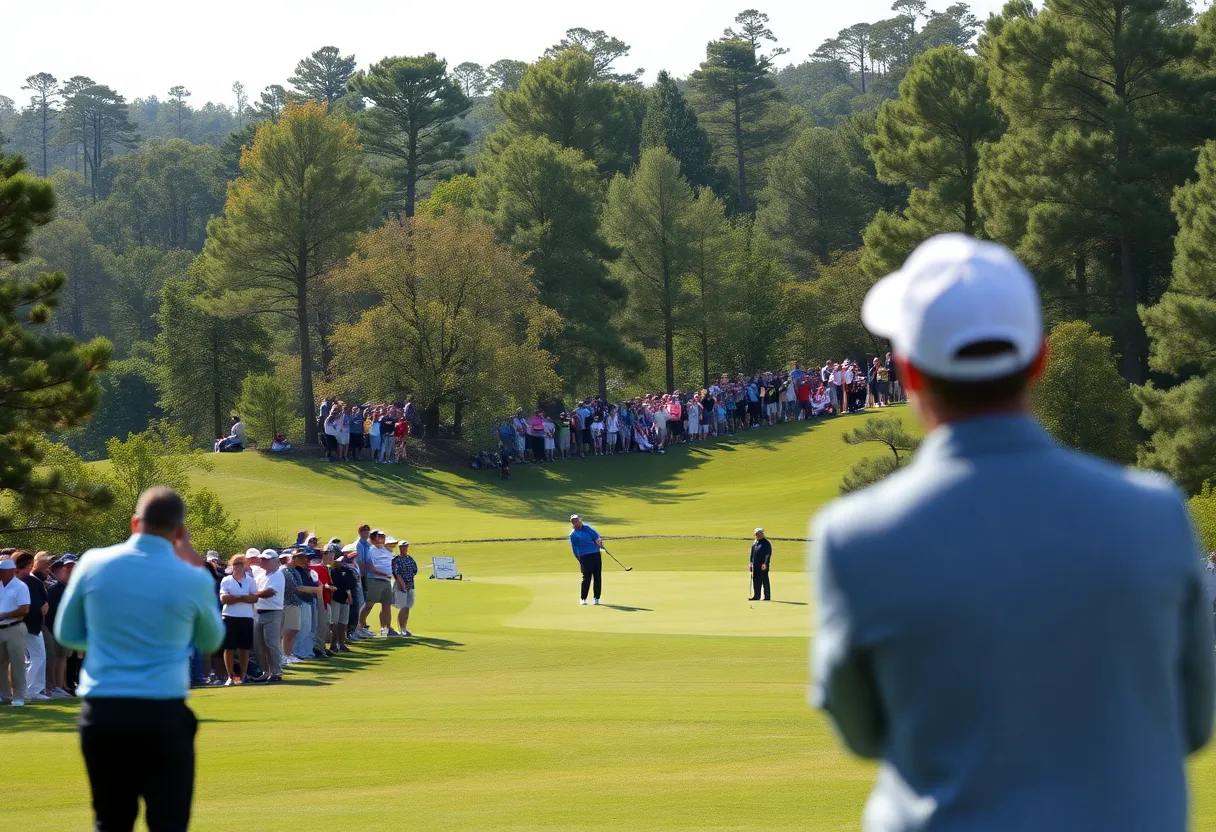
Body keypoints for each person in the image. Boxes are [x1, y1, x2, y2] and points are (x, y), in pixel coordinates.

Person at [811, 234, 1215, 831]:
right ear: (1039, 359)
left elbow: (863, 732)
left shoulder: (856, 536)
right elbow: (1193, 721)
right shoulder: (1155, 513)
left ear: (907, 372)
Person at [54, 486, 225, 831]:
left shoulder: (93, 562)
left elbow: (67, 634)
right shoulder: (192, 578)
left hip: (104, 711)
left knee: (111, 821)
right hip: (163, 710)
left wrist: (110, 641)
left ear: (135, 523)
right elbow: (210, 640)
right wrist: (194, 566)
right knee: (168, 822)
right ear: (179, 532)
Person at [218, 553, 258, 685]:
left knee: (244, 648)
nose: (238, 567)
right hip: (229, 617)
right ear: (232, 566)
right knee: (229, 648)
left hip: (246, 617)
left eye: (241, 564)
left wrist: (235, 597)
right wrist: (243, 597)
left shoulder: (250, 581)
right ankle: (230, 676)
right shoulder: (226, 580)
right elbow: (224, 599)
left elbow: (254, 598)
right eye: (236, 564)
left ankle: (243, 675)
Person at [15, 552, 49, 701]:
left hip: (36, 625)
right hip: (23, 625)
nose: (30, 567)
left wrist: (45, 605)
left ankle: (35, 690)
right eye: (28, 564)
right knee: (36, 657)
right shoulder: (13, 582)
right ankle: (25, 690)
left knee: (41, 657)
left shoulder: (34, 582)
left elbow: (44, 599)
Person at [249, 548, 284, 684]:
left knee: (272, 643)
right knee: (259, 644)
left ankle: (276, 672)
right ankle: (266, 672)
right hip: (260, 612)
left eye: (266, 559)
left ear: (275, 561)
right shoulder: (262, 574)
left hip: (272, 612)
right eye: (262, 559)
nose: (263, 561)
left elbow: (269, 592)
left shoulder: (278, 574)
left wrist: (252, 595)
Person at [0, 557, 31, 706]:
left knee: (17, 663)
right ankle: (4, 695)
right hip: (0, 629)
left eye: (2, 571)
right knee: (0, 664)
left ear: (11, 571)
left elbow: (24, 609)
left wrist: (4, 615)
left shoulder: (20, 586)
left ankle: (18, 696)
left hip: (14, 628)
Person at [45, 556, 76, 697]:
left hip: (67, 629)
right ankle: (56, 686)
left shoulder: (71, 587)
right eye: (67, 569)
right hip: (55, 628)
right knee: (57, 657)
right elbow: (52, 611)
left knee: (64, 657)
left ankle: (61, 685)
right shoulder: (54, 589)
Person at [360, 530, 396, 636]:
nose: (381, 539)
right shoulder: (371, 550)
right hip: (374, 580)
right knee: (369, 604)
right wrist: (384, 574)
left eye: (383, 537)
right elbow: (371, 568)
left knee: (387, 604)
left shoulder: (387, 551)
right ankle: (360, 625)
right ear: (374, 538)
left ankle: (387, 628)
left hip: (386, 581)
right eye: (379, 536)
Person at [569, 514, 604, 606]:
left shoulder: (588, 528)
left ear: (580, 520)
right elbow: (575, 549)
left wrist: (598, 541)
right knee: (586, 578)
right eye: (574, 521)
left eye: (577, 520)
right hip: (584, 556)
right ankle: (583, 598)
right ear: (573, 523)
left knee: (597, 577)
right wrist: (580, 561)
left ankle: (596, 598)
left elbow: (597, 537)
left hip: (596, 554)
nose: (577, 522)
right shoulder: (573, 535)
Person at [392, 541, 419, 637]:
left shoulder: (410, 559)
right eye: (402, 546)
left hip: (410, 585)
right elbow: (397, 574)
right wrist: (403, 585)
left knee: (407, 607)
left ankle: (404, 628)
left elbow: (415, 570)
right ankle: (401, 629)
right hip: (401, 586)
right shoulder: (397, 559)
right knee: (403, 607)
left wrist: (408, 584)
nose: (404, 548)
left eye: (406, 546)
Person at [749, 528, 772, 602]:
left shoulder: (766, 543)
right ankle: (756, 596)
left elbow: (768, 554)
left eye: (757, 534)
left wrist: (765, 563)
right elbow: (752, 555)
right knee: (756, 581)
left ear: (761, 534)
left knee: (765, 581)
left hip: (763, 566)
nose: (756, 535)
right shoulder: (755, 543)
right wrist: (751, 564)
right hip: (755, 565)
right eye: (755, 534)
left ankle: (767, 596)